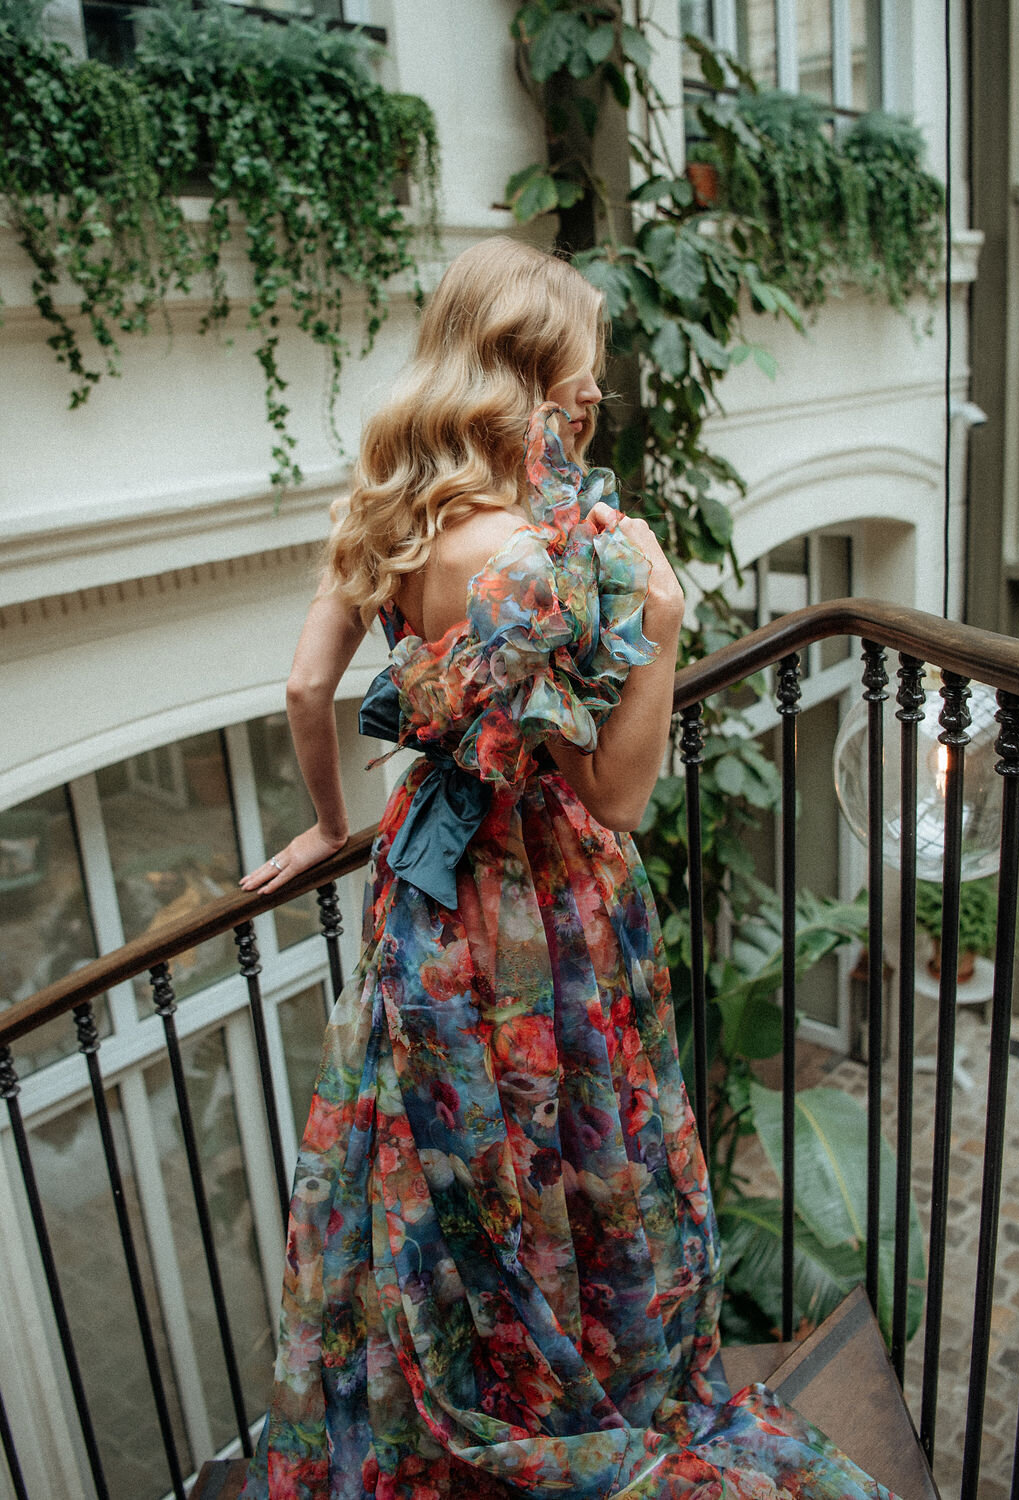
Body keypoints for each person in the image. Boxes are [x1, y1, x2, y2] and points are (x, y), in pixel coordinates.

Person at [239, 239, 899, 1499]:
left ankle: (476, 1382)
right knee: (573, 1152)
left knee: (457, 1167)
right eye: (584, 390)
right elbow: (615, 793)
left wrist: (332, 827)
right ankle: (578, 1391)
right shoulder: (538, 562)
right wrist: (658, 628)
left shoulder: (382, 500)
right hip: (537, 909)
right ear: (532, 381)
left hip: (420, 910)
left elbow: (306, 687)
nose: (590, 412)